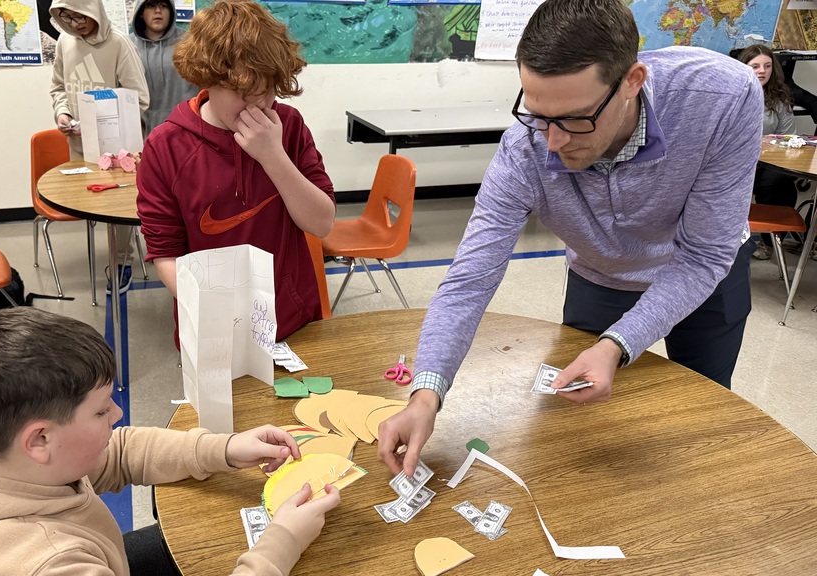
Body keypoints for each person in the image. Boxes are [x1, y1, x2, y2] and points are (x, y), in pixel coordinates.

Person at [378, 0, 762, 477]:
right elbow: (468, 282)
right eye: (538, 114)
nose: (553, 143)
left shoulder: (724, 95)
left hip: (706, 273)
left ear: (631, 82)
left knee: (699, 422)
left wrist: (616, 343)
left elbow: (704, 254)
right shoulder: (526, 150)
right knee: (581, 429)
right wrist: (426, 392)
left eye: (576, 119)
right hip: (600, 276)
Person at [0, 307, 341, 575]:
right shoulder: (48, 562)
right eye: (101, 409)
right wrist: (280, 541)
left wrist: (223, 449)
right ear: (40, 439)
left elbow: (122, 451)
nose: (118, 414)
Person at [136, 0, 336, 344]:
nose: (259, 104)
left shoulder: (288, 126)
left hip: (294, 319)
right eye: (243, 92)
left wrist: (273, 156)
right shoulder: (166, 145)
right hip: (213, 326)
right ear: (207, 78)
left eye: (269, 90)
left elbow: (321, 223)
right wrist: (210, 307)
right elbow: (165, 253)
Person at [49, 0, 151, 285]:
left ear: (94, 10)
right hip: (79, 147)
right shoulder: (64, 42)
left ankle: (122, 262)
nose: (75, 23)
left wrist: (95, 119)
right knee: (92, 204)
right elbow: (58, 86)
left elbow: (139, 98)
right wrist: (63, 111)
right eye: (66, 16)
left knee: (117, 209)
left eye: (80, 16)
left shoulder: (118, 44)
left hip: (117, 149)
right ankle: (115, 254)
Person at [736, 44, 797, 261]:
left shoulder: (779, 98)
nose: (762, 71)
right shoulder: (732, 95)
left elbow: (787, 138)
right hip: (736, 163)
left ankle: (770, 241)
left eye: (767, 66)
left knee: (777, 181)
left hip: (767, 162)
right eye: (755, 66)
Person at [129, 0, 199, 135]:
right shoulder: (128, 46)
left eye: (164, 6)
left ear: (172, 11)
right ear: (141, 12)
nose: (158, 11)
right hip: (142, 131)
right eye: (151, 5)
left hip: (185, 128)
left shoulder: (189, 42)